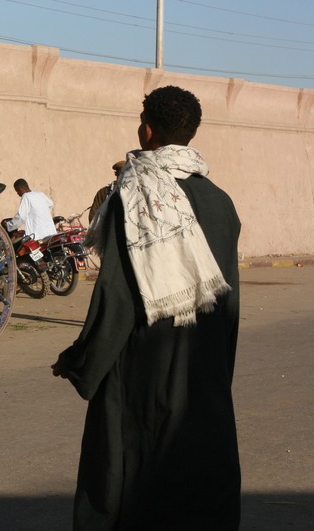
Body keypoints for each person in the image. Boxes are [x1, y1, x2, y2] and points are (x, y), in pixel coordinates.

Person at [51, 86, 241, 530]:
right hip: (202, 368)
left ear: (148, 129)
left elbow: (116, 296)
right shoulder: (221, 202)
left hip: (141, 371)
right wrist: (217, 370)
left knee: (128, 476)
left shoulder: (133, 197)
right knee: (196, 484)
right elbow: (227, 301)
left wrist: (82, 363)